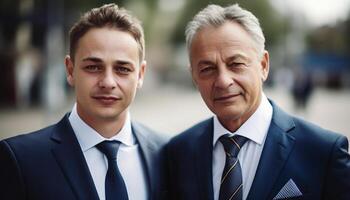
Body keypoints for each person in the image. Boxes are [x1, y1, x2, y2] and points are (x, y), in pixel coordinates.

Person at [166, 4, 350, 200]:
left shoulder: (323, 152)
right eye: (207, 69)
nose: (222, 80)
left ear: (263, 65)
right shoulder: (178, 153)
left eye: (236, 64)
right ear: (194, 76)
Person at [0, 4, 167, 200]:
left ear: (140, 74)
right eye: (93, 67)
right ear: (70, 70)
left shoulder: (168, 153)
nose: (107, 82)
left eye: (122, 69)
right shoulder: (20, 159)